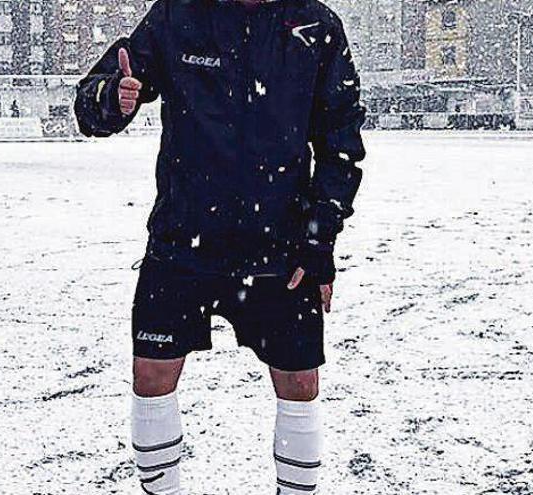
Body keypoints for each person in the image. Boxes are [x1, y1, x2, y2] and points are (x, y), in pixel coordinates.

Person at [74, 0, 365, 492]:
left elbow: (341, 141)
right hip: (183, 239)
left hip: (281, 246)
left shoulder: (317, 24)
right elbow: (92, 102)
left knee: (299, 384)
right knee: (151, 375)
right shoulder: (176, 15)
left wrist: (319, 238)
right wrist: (111, 98)